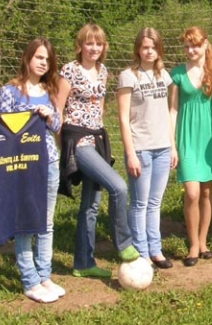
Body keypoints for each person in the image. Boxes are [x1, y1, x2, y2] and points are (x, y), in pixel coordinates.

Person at [58, 24, 139, 280]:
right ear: (80, 45)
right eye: (89, 43)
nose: (94, 48)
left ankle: (83, 262)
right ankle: (124, 243)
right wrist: (64, 148)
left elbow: (100, 107)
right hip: (77, 141)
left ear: (104, 47)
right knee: (118, 187)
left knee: (90, 206)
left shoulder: (103, 71)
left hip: (96, 139)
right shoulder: (69, 70)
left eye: (99, 43)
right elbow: (58, 110)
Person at [0, 38, 64, 303]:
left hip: (48, 162)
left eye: (47, 59)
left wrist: (49, 116)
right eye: (38, 57)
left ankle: (44, 275)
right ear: (27, 58)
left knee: (46, 222)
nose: (43, 63)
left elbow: (57, 127)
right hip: (23, 166)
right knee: (24, 224)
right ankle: (29, 280)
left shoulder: (50, 91)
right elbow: (2, 130)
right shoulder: (10, 91)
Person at [117, 27, 178, 269]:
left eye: (153, 47)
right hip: (140, 149)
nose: (149, 51)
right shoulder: (128, 76)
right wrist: (130, 153)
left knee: (155, 202)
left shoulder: (165, 76)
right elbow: (122, 118)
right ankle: (140, 252)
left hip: (163, 147)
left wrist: (172, 147)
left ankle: (156, 250)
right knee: (140, 203)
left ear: (159, 49)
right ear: (138, 50)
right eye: (145, 47)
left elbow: (169, 112)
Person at [169, 27, 212, 267]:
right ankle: (192, 243)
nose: (191, 50)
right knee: (191, 192)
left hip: (210, 138)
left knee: (206, 192)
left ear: (205, 45)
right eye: (186, 46)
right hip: (186, 138)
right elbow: (172, 110)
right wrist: (172, 144)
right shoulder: (177, 74)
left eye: (195, 45)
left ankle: (202, 242)